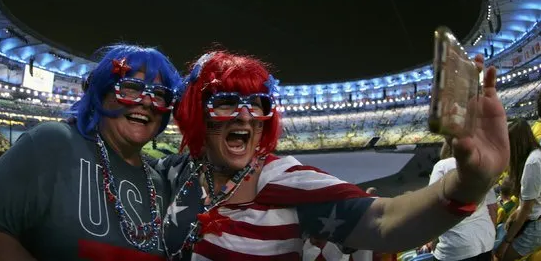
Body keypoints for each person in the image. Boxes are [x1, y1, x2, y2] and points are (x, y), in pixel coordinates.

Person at [156, 50, 509, 260]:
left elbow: (383, 221)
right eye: (227, 103)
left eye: (258, 104)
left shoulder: (285, 182)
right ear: (195, 114)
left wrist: (468, 184)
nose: (246, 116)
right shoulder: (176, 172)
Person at [0, 44, 181, 261]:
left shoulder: (161, 185)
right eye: (131, 88)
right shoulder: (53, 143)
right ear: (101, 93)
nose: (146, 101)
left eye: (159, 94)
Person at [421, 138, 497, 261]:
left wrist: (433, 241)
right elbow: (493, 208)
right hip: (485, 240)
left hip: (456, 246)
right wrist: (490, 238)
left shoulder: (442, 166)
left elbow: (432, 208)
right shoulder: (482, 167)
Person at [495, 118, 541, 261]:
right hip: (534, 221)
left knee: (500, 256)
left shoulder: (532, 163)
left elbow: (527, 210)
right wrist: (514, 214)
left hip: (535, 226)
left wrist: (506, 242)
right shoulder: (536, 155)